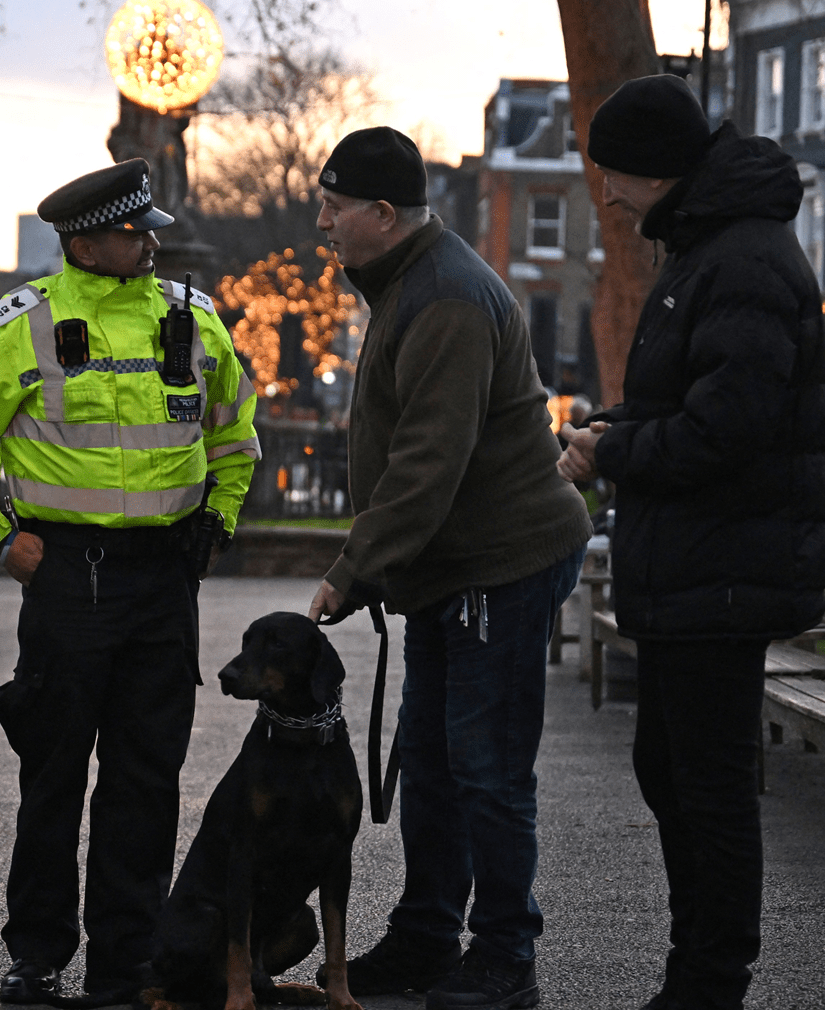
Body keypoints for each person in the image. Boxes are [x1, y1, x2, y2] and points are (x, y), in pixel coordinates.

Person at [0, 159, 260, 1005]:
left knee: (145, 783)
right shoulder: (20, 324)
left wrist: (217, 518)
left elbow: (236, 434)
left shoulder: (192, 320)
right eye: (132, 231)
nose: (148, 242)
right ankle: (36, 954)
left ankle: (126, 962)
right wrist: (4, 540)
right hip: (67, 577)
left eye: (147, 231)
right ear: (83, 241)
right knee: (54, 777)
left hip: (160, 582)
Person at [555, 74, 825, 1010]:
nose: (611, 197)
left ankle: (710, 982)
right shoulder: (705, 251)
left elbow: (730, 429)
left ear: (660, 170)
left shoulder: (740, 260)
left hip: (724, 571)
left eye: (616, 177)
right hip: (697, 567)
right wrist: (615, 424)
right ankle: (696, 970)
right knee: (669, 769)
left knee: (705, 787)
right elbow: (693, 403)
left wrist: (616, 450)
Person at [301, 127, 590, 1010]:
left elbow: (431, 459)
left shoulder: (449, 298)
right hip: (455, 567)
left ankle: (507, 955)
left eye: (335, 206)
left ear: (383, 214)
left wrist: (353, 570)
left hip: (500, 563)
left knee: (487, 769)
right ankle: (429, 936)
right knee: (432, 761)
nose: (323, 222)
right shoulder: (411, 282)